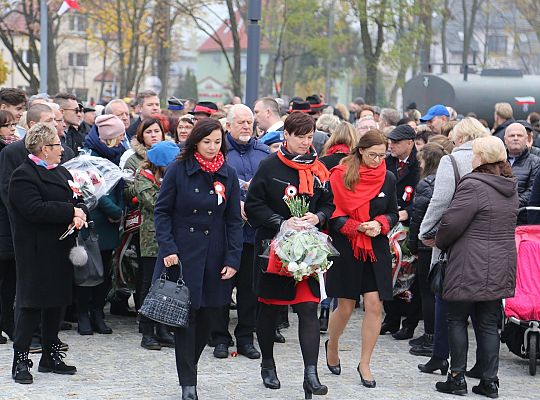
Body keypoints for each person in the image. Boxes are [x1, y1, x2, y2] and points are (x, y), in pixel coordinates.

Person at [245, 111, 334, 398]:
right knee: (270, 308)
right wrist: (281, 222)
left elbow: (329, 205)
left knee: (308, 307)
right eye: (301, 137)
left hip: (307, 250)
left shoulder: (318, 169)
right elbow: (253, 205)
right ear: (287, 135)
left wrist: (317, 217)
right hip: (273, 248)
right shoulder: (269, 166)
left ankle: (311, 373)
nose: (306, 143)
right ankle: (268, 364)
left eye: (310, 138)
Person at [153, 118, 243, 400]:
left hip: (215, 254)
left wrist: (233, 257)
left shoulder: (227, 173)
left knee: (209, 317)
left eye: (217, 142)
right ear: (195, 141)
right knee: (186, 317)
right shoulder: (178, 170)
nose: (212, 147)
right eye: (207, 142)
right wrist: (168, 248)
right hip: (182, 253)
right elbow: (162, 211)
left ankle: (189, 365)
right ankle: (188, 383)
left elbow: (233, 221)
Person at [434, 136, 518, 398]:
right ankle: (489, 382)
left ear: (481, 158)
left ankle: (457, 378)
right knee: (488, 323)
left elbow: (451, 224)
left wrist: (440, 242)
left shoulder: (473, 185)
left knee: (457, 319)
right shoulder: (509, 186)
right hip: (500, 262)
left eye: (474, 154)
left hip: (469, 262)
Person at [8, 122, 87, 384]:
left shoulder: (62, 171)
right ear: (44, 149)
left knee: (57, 301)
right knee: (31, 304)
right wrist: (69, 212)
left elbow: (76, 198)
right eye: (57, 145)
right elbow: (34, 209)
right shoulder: (24, 175)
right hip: (36, 251)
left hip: (61, 248)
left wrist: (81, 211)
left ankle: (50, 355)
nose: (62, 149)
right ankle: (20, 360)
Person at [325, 130, 398, 389]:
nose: (378, 160)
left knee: (374, 305)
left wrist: (380, 224)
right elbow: (330, 213)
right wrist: (354, 227)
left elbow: (393, 212)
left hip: (374, 246)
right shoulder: (341, 174)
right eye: (372, 155)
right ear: (360, 151)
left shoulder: (387, 178)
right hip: (346, 246)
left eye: (382, 155)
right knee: (344, 306)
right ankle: (332, 343)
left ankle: (365, 362)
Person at [418, 117, 489, 377]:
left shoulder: (452, 160)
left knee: (444, 298)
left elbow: (440, 201)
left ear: (458, 138)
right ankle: (483, 365)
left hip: (453, 239)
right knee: (483, 309)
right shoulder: (494, 158)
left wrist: (425, 232)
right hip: (486, 241)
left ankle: (440, 357)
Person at [210, 104, 268, 360]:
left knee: (250, 290)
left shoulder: (264, 153)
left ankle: (246, 337)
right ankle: (219, 337)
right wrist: (236, 204)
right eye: (240, 122)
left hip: (253, 235)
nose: (246, 126)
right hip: (224, 232)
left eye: (249, 122)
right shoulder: (218, 153)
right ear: (228, 126)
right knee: (222, 287)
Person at [77, 115, 126, 335]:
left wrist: (120, 210)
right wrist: (114, 210)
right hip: (94, 220)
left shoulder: (114, 155)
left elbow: (119, 185)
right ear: (109, 138)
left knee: (105, 270)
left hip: (110, 223)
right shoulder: (88, 157)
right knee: (88, 271)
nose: (123, 139)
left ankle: (98, 312)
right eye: (119, 135)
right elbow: (92, 189)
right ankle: (82, 314)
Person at [408, 142, 453, 357]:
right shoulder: (448, 180)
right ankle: (431, 336)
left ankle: (430, 337)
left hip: (427, 242)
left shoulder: (426, 184)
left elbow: (418, 218)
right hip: (443, 240)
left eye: (421, 160)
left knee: (428, 291)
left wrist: (413, 242)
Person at [134, 141, 180, 350]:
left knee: (167, 285)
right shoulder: (143, 178)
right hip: (151, 240)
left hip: (171, 239)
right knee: (149, 285)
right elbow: (154, 202)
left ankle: (162, 328)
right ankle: (147, 330)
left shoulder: (172, 176)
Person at [381, 124, 421, 340]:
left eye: (396, 142)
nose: (391, 145)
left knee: (408, 275)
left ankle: (409, 323)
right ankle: (391, 317)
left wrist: (408, 212)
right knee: (387, 271)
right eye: (391, 141)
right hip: (387, 222)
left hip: (409, 227)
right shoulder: (386, 162)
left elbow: (425, 196)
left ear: (410, 143)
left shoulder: (419, 165)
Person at [0, 110, 19, 345]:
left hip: (8, 224)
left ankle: (7, 321)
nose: (13, 130)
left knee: (9, 279)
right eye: (8, 126)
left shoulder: (10, 152)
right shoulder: (6, 153)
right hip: (4, 222)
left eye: (14, 125)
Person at [503, 123, 540, 219]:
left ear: (526, 139)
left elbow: (532, 191)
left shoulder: (536, 162)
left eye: (519, 135)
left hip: (522, 219)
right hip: (500, 218)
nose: (515, 138)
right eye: (512, 135)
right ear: (505, 139)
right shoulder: (497, 162)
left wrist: (511, 205)